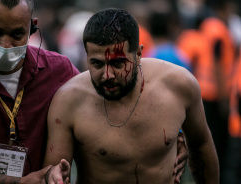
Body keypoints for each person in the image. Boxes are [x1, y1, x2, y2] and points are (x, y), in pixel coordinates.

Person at [44, 8, 219, 184]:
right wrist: (53, 175)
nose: (107, 75)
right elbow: (53, 170)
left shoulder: (179, 85)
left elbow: (201, 145)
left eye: (118, 63)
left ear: (138, 54)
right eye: (97, 63)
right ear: (86, 57)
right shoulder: (68, 101)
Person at [0, 0, 78, 183]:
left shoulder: (59, 71)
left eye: (17, 34)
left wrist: (56, 172)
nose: (6, 45)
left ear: (32, 28)